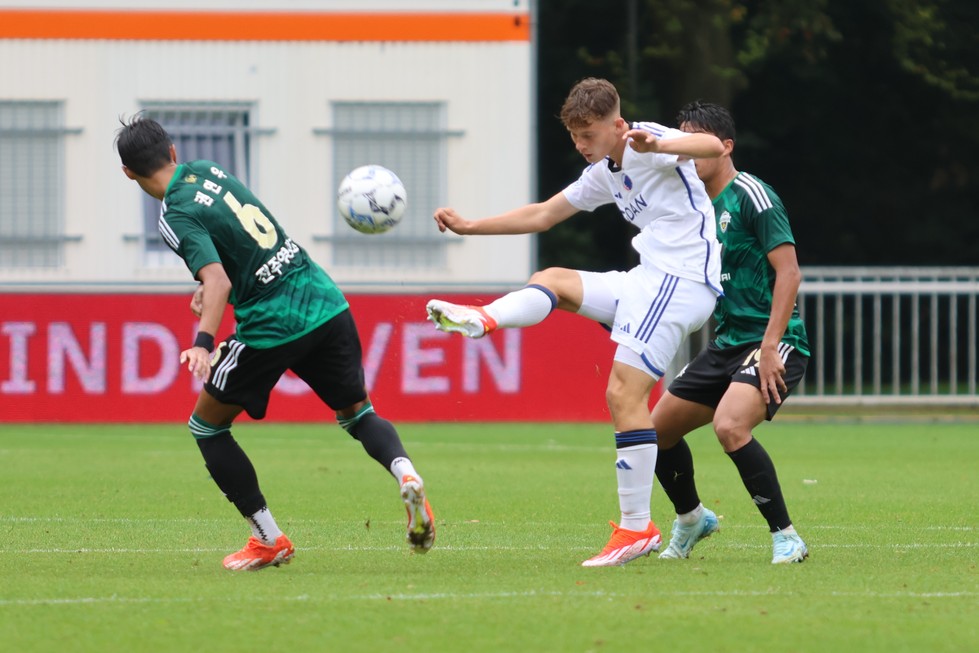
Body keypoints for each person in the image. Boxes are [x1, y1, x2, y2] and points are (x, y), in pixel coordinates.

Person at [425, 78, 724, 567]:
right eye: (575, 136)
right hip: (649, 279)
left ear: (616, 124)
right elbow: (545, 214)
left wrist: (662, 142)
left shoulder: (644, 141)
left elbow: (710, 145)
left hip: (682, 280)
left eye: (588, 134)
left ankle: (635, 528)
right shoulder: (605, 170)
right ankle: (485, 318)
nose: (582, 145)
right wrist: (470, 226)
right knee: (554, 279)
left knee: (623, 394)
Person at [115, 114, 435, 571]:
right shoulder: (209, 169)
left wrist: (203, 341)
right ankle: (406, 472)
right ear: (172, 152)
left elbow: (219, 279)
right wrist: (210, 285)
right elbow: (238, 245)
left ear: (129, 172)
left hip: (272, 324)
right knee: (359, 413)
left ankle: (268, 539)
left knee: (207, 426)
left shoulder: (174, 214)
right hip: (324, 300)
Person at [651, 100, 810, 564]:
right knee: (653, 432)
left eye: (694, 143)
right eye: (679, 144)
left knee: (729, 425)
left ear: (725, 147)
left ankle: (786, 536)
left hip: (775, 341)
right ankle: (692, 518)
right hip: (727, 344)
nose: (685, 154)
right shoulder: (690, 206)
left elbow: (790, 272)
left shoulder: (752, 195)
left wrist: (769, 344)